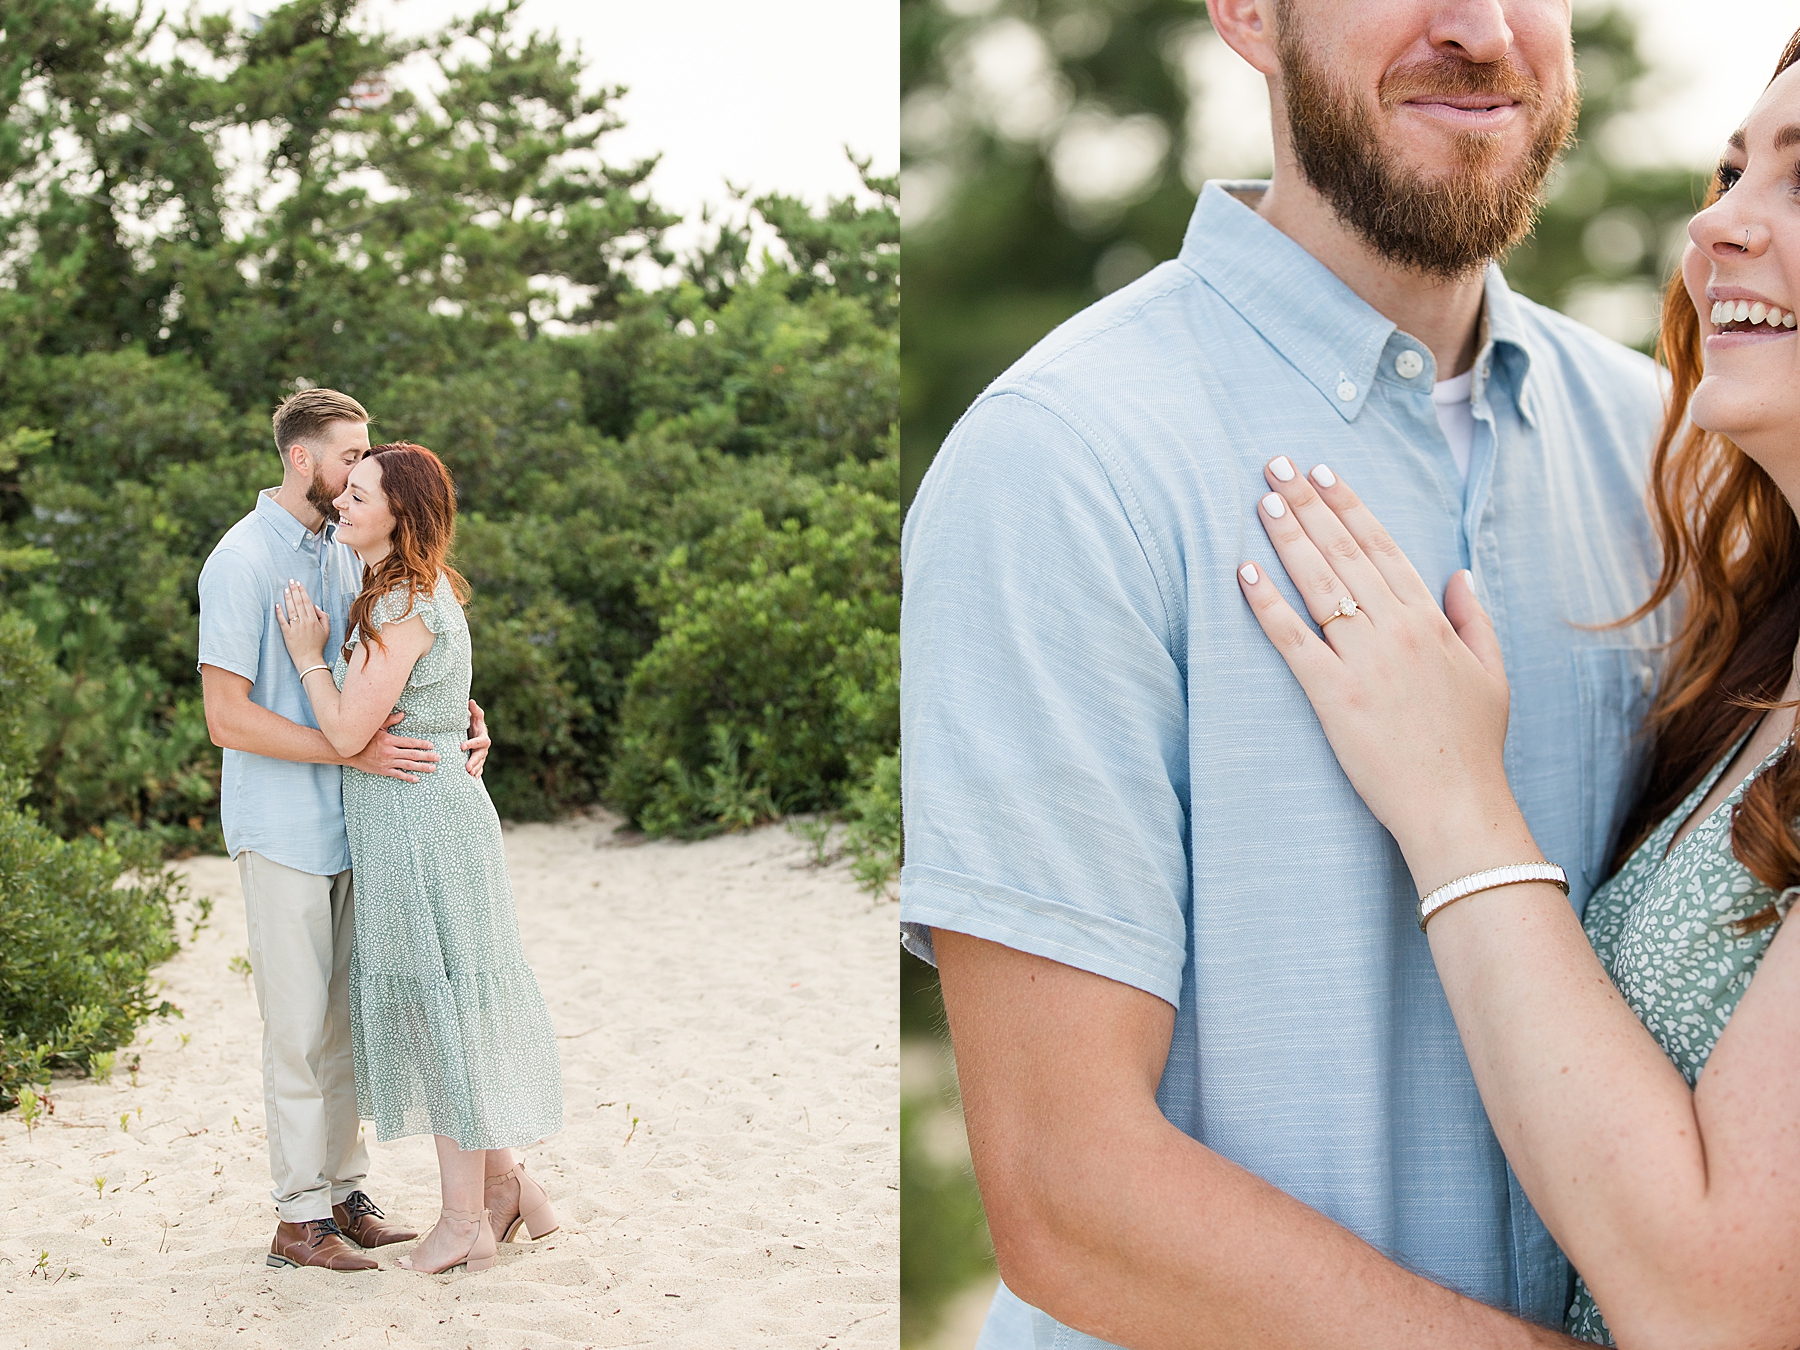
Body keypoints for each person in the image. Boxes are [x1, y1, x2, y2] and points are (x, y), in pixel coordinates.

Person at [900, 1, 1670, 1346]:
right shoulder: (1063, 461)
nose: (1480, 30)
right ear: (1251, 15)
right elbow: (1067, 1193)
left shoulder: (1673, 461)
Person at [1237, 30, 1800, 1347]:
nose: (1717, 222)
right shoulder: (1757, 646)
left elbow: (1722, 1303)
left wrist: (1454, 804)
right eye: (1731, 170)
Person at [198, 388, 493, 1272]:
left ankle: (342, 1194)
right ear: (303, 458)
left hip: (363, 828)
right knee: (293, 1028)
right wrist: (348, 755)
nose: (360, 469)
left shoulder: (349, 548)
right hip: (284, 825)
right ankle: (298, 1220)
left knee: (344, 1027)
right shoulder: (241, 562)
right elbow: (225, 718)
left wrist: (463, 718)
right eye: (350, 454)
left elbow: (395, 669)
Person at [275, 441, 563, 1275]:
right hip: (429, 815)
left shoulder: (399, 598)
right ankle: (513, 1189)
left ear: (401, 513)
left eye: (359, 495)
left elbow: (342, 732)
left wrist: (304, 654)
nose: (342, 504)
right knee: (453, 1003)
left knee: (438, 1016)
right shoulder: (414, 587)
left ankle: (463, 1220)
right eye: (345, 491)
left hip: (416, 825)